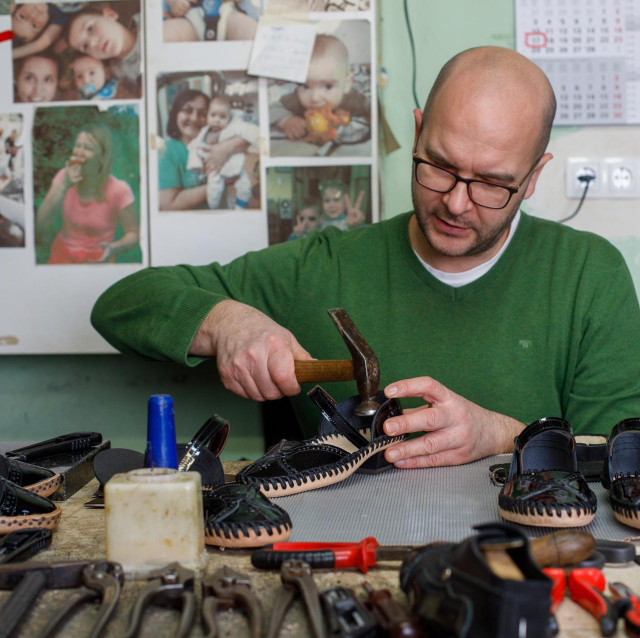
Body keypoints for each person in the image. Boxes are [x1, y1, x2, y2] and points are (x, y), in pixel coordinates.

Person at [92, 46, 640, 469]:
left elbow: (619, 459)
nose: (454, 202)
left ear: (535, 175)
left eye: (493, 183)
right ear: (419, 128)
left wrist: (503, 436)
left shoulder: (589, 276)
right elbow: (119, 305)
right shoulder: (324, 267)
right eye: (440, 166)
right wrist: (225, 322)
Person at [37, 125, 139, 264]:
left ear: (103, 157)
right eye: (78, 146)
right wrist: (64, 185)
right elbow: (41, 224)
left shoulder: (119, 189)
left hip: (98, 260)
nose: (79, 152)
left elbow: (133, 235)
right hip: (62, 255)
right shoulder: (63, 177)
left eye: (88, 148)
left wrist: (114, 248)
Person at [158, 88, 250, 211]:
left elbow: (250, 138)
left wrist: (227, 148)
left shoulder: (216, 137)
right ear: (175, 113)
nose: (194, 118)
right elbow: (169, 204)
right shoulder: (167, 150)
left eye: (202, 113)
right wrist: (218, 184)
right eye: (187, 110)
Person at [270, 34, 370, 144]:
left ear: (346, 84)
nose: (314, 98)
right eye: (305, 86)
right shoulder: (296, 99)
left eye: (327, 87)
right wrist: (285, 121)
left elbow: (373, 108)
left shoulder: (351, 98)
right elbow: (272, 109)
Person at [186, 95, 258, 210]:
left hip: (235, 167)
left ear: (229, 118)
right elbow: (195, 146)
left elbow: (251, 132)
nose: (217, 120)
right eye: (213, 115)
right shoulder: (204, 132)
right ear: (208, 115)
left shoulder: (233, 127)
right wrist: (196, 163)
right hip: (215, 170)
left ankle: (240, 207)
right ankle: (214, 209)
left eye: (222, 117)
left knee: (245, 186)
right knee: (213, 191)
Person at [66, 6, 141, 95]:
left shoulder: (147, 20)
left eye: (90, 29)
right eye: (85, 46)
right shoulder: (117, 73)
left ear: (110, 15)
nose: (92, 43)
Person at [12, 2, 86, 59]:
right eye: (34, 25)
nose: (32, 16)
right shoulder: (58, 15)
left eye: (22, 17)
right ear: (44, 30)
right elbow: (39, 45)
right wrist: (10, 55)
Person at [163, 0, 257, 42]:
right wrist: (175, 3)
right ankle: (165, 79)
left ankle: (254, 76)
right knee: (162, 35)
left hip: (227, 17)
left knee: (253, 34)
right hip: (191, 20)